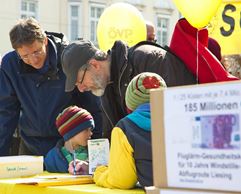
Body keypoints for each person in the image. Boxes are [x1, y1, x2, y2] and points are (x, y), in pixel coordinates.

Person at [61, 18, 238, 140]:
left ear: (94, 65)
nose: (82, 89)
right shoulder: (106, 88)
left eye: (80, 81)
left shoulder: (146, 58)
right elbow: (112, 137)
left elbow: (183, 104)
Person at [0, 17, 102, 156]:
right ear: (17, 52)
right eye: (25, 56)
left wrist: (95, 152)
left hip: (70, 146)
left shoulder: (69, 58)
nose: (33, 60)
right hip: (30, 145)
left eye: (37, 52)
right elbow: (6, 113)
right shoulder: (9, 65)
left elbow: (93, 107)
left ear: (45, 41)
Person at [69, 72, 166, 188]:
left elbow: (122, 180)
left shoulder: (125, 128)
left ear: (130, 103)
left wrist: (98, 172)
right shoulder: (184, 119)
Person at [44, 105, 94, 173]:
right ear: (72, 132)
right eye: (86, 130)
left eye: (91, 129)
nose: (91, 133)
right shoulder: (52, 158)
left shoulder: (95, 152)